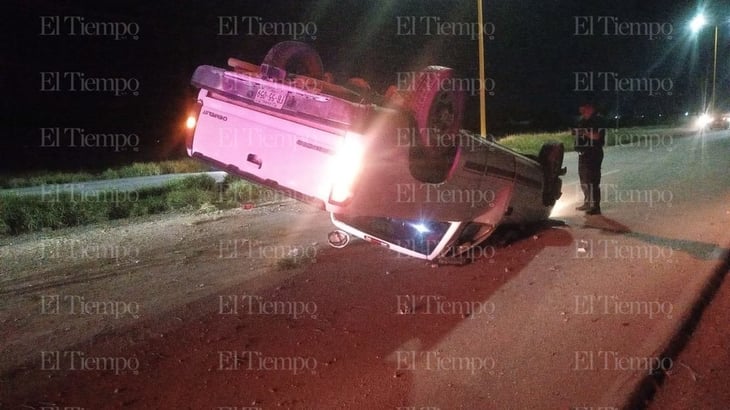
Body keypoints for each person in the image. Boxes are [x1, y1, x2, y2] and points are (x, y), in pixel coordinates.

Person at [573, 102, 606, 215]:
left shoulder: (597, 120)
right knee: (584, 180)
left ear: (590, 108)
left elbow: (597, 136)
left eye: (583, 107)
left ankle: (595, 206)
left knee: (592, 180)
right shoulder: (582, 121)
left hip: (593, 153)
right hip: (582, 154)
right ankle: (587, 202)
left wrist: (584, 133)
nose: (580, 109)